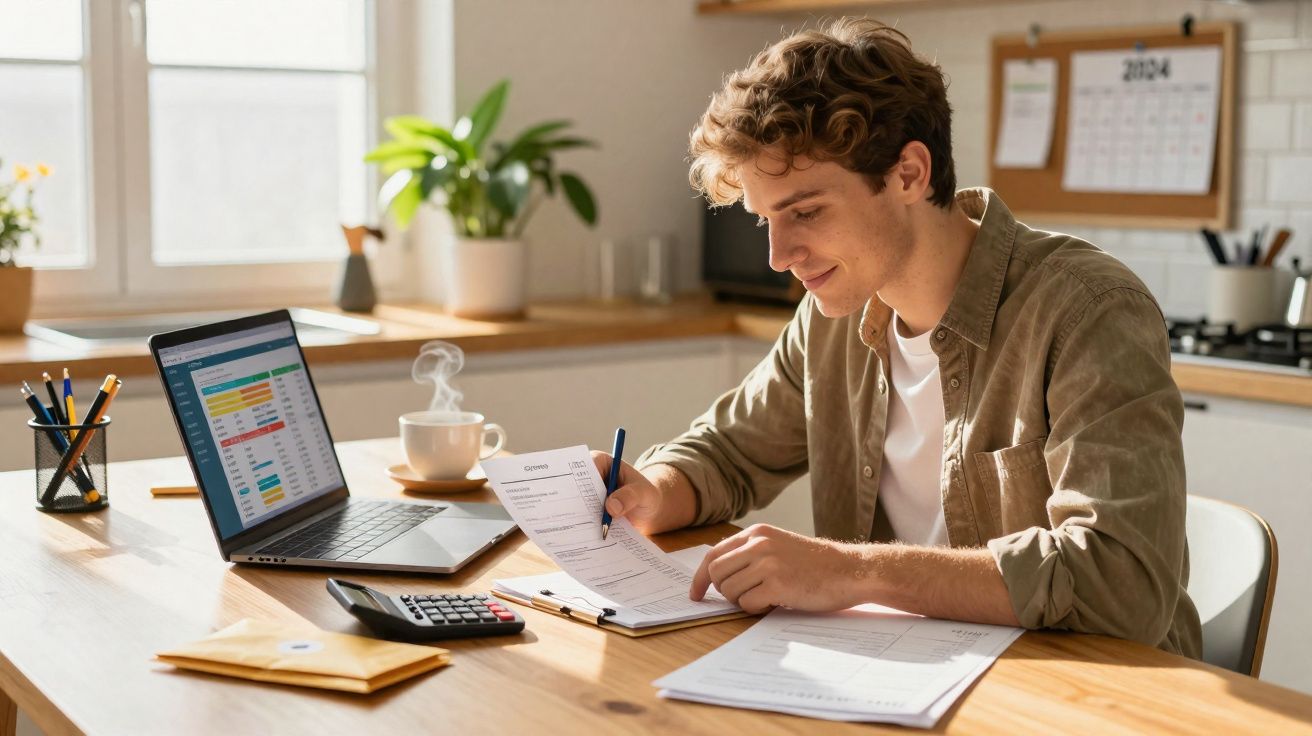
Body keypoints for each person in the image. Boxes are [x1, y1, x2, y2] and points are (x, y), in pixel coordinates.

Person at [595, 18, 1201, 657]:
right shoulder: (833, 315)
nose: (778, 256)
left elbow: (1121, 583)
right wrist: (654, 490)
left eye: (805, 212)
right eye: (765, 220)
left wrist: (850, 572)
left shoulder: (1088, 310)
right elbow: (727, 453)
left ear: (909, 173)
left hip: (1088, 692)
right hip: (909, 674)